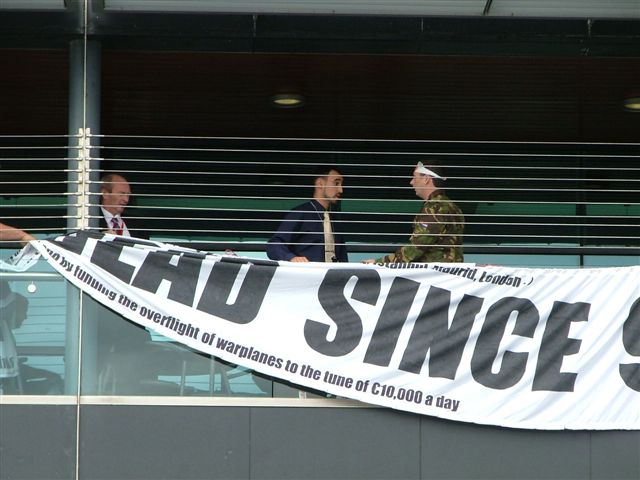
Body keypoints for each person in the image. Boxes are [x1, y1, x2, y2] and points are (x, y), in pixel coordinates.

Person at [364, 161, 464, 264]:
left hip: (434, 272)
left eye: (415, 177)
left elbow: (416, 248)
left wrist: (380, 263)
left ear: (426, 179)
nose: (411, 182)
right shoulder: (452, 206)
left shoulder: (434, 208)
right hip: (450, 271)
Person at [267, 166, 348, 263]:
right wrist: (292, 258)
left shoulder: (335, 222)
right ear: (320, 184)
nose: (341, 190)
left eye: (341, 184)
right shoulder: (300, 214)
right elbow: (274, 245)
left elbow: (343, 261)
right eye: (336, 183)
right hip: (306, 272)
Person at [99, 173, 144, 238]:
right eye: (121, 194)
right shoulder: (91, 221)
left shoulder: (138, 225)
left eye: (128, 195)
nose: (126, 200)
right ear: (105, 194)